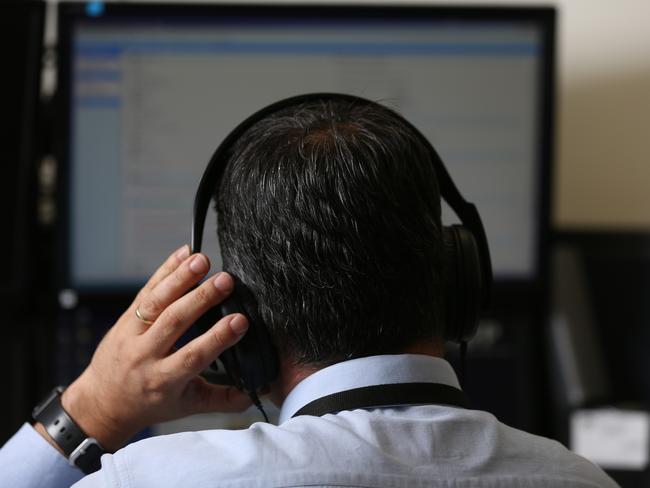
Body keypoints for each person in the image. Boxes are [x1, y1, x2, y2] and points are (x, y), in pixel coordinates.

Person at [0, 98, 617, 487]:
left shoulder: (154, 480)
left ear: (238, 323)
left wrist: (88, 412)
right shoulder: (583, 480)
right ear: (456, 281)